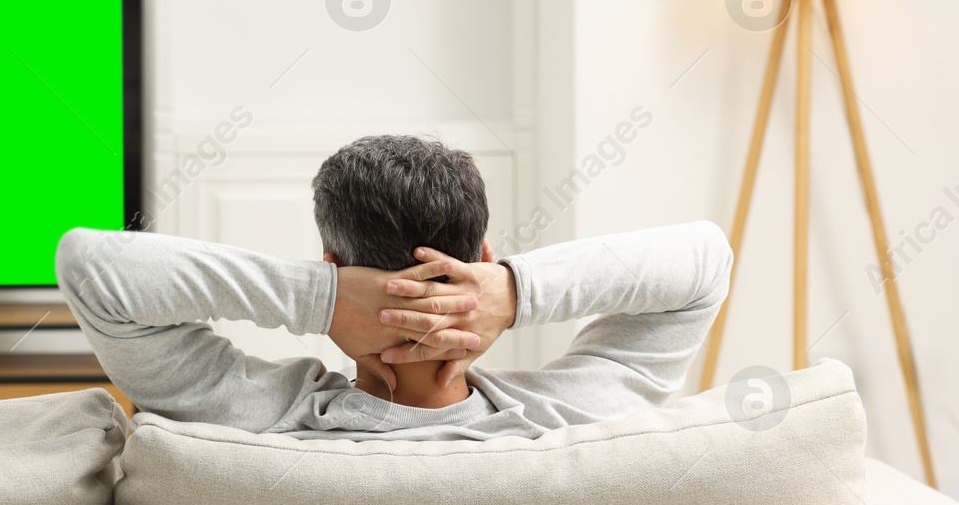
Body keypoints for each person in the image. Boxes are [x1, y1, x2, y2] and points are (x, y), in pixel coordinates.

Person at [55, 134, 733, 439]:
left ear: (327, 261)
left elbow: (90, 263)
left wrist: (319, 299)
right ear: (486, 255)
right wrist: (515, 293)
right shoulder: (573, 429)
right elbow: (704, 261)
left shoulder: (250, 422)